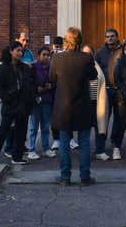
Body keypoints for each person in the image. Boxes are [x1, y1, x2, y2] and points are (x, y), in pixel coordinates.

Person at [49, 27, 97, 186]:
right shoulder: (86, 58)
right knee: (84, 142)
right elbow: (93, 76)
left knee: (64, 142)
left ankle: (65, 177)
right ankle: (85, 177)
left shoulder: (57, 58)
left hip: (63, 106)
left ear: (66, 40)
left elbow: (52, 80)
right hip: (82, 105)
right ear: (80, 40)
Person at [0, 42, 35, 165]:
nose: (20, 53)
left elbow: (29, 85)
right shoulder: (3, 68)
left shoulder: (24, 67)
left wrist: (29, 101)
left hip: (22, 105)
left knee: (21, 132)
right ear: (11, 51)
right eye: (17, 50)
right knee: (3, 130)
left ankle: (17, 157)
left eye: (21, 51)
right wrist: (7, 97)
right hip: (10, 105)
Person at [26, 46, 56, 160]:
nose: (46, 57)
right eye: (44, 55)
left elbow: (54, 81)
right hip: (36, 100)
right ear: (38, 55)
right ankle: (31, 149)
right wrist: (36, 88)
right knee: (33, 126)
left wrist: (51, 85)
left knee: (45, 126)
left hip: (47, 100)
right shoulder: (33, 67)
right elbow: (29, 83)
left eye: (48, 55)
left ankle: (46, 148)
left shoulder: (51, 67)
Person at [95, 28, 122, 148]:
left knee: (118, 117)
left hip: (119, 90)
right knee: (103, 117)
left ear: (117, 37)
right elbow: (95, 69)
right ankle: (101, 143)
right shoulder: (100, 52)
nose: (110, 38)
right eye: (107, 36)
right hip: (104, 91)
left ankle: (115, 141)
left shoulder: (123, 51)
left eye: (112, 36)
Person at [83, 45, 110, 161]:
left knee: (100, 127)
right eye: (84, 53)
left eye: (89, 53)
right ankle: (85, 152)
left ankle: (100, 150)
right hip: (85, 103)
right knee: (85, 129)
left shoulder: (96, 66)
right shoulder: (80, 66)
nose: (87, 55)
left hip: (98, 102)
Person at [50, 36, 64, 151]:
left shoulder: (64, 57)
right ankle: (56, 139)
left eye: (60, 47)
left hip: (64, 89)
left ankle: (69, 139)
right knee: (54, 116)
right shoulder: (49, 55)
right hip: (53, 91)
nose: (58, 49)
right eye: (56, 46)